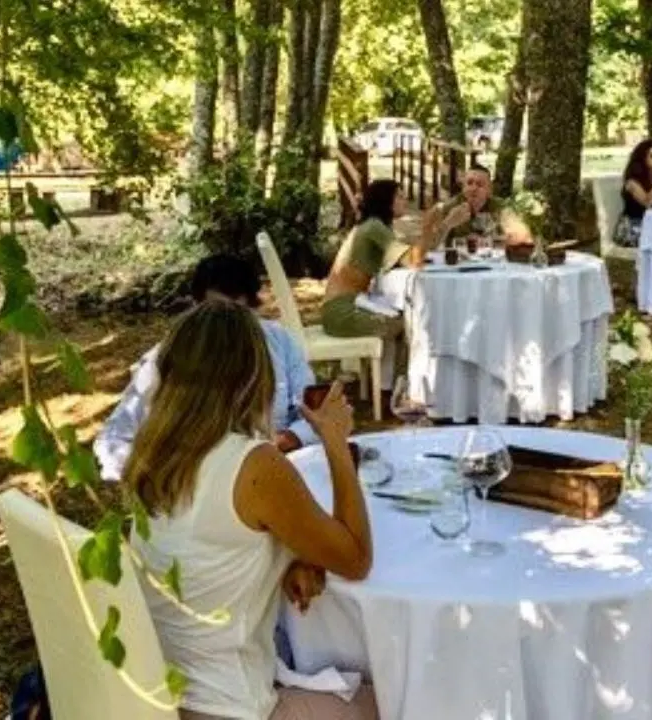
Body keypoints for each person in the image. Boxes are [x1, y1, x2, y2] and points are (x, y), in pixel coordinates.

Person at [126, 301, 378, 720]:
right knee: (402, 697)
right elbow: (356, 559)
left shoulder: (153, 453)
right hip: (229, 706)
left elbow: (209, 545)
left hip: (162, 693)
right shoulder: (253, 463)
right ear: (253, 378)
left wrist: (292, 558)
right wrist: (335, 441)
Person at [94, 254, 317, 481]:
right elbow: (115, 439)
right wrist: (161, 475)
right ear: (197, 309)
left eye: (239, 317)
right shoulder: (168, 358)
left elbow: (314, 410)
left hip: (276, 469)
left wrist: (288, 439)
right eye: (216, 315)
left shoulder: (278, 342)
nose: (228, 330)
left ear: (253, 309)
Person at [322, 179, 422, 375]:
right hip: (342, 312)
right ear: (387, 201)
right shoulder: (373, 227)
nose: (405, 200)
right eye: (400, 196)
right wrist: (432, 227)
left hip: (345, 306)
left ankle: (389, 386)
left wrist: (441, 227)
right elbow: (413, 260)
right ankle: (397, 389)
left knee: (405, 317)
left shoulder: (374, 226)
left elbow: (408, 258)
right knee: (409, 324)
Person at [419, 164, 532, 257]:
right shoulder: (447, 208)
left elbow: (525, 240)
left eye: (480, 184)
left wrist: (489, 241)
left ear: (489, 190)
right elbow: (427, 246)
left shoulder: (501, 208)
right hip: (456, 264)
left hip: (491, 264)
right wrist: (448, 223)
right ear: (463, 187)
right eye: (469, 183)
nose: (473, 188)